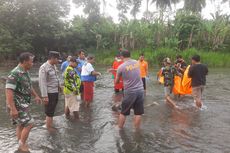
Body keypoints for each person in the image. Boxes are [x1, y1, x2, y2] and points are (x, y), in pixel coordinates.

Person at [5, 52, 42, 152]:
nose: (32, 64)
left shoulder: (25, 72)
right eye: (31, 62)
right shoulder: (14, 73)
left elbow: (29, 86)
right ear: (25, 61)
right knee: (30, 123)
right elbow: (8, 91)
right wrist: (13, 109)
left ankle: (20, 142)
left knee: (21, 124)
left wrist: (36, 96)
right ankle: (22, 145)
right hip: (16, 104)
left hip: (23, 103)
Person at [115, 49, 144, 129]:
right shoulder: (137, 62)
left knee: (123, 112)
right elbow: (131, 70)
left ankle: (119, 128)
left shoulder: (121, 67)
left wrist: (118, 74)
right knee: (138, 113)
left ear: (121, 56)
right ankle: (136, 130)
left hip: (130, 92)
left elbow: (116, 82)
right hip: (140, 90)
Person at [39, 51, 60, 132]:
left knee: (51, 109)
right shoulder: (44, 67)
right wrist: (44, 96)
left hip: (55, 91)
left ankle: (49, 123)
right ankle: (48, 127)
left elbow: (56, 78)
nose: (58, 60)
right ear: (52, 58)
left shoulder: (53, 66)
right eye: (57, 59)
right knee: (50, 110)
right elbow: (42, 82)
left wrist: (59, 87)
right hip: (49, 93)